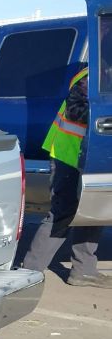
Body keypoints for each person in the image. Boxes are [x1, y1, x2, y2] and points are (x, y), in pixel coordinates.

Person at [22, 62, 111, 288]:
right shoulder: (92, 77)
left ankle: (84, 271)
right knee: (62, 213)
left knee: (93, 212)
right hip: (68, 156)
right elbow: (76, 111)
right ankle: (28, 273)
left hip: (92, 156)